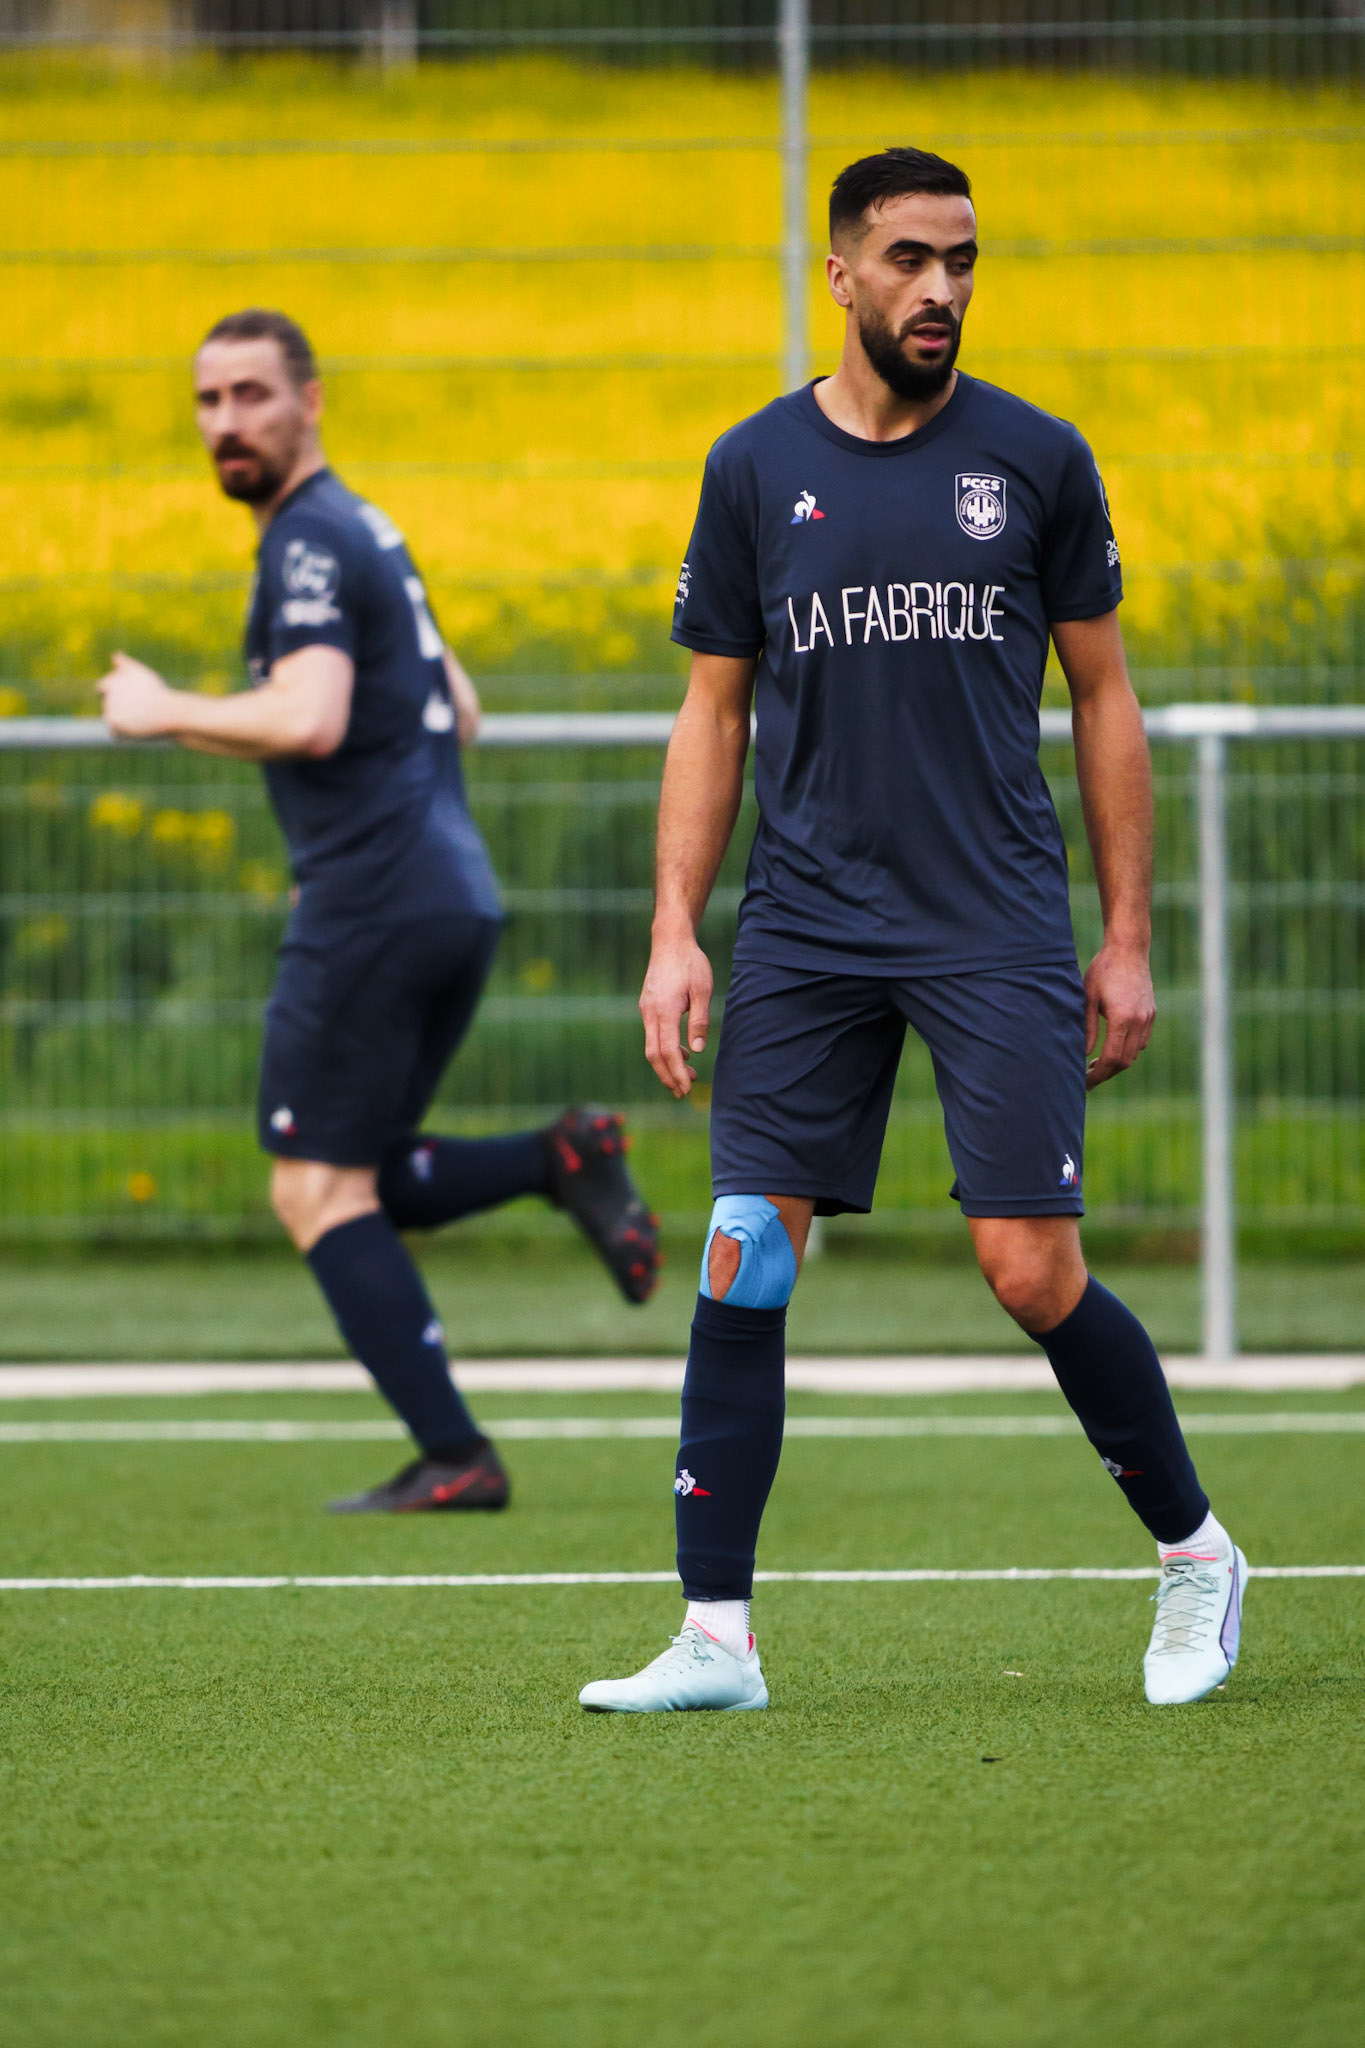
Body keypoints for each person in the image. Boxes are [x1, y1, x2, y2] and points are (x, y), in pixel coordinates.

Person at [579, 149, 1244, 1713]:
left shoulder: (1034, 458)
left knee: (1025, 1269)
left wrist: (1127, 933)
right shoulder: (749, 469)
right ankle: (716, 1639)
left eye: (960, 258)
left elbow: (1103, 699)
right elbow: (710, 709)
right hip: (805, 924)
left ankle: (1196, 1556)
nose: (939, 287)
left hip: (991, 917)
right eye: (907, 258)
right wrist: (676, 929)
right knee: (745, 1256)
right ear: (841, 275)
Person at [99, 307, 660, 1513]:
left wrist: (160, 707)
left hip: (374, 901)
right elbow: (458, 703)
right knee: (373, 1173)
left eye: (252, 394)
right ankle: (562, 1155)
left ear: (311, 401)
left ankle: (456, 1455)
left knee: (313, 1187)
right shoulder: (368, 529)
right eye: (208, 401)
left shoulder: (305, 541)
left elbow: (308, 714)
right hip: (446, 891)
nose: (226, 422)